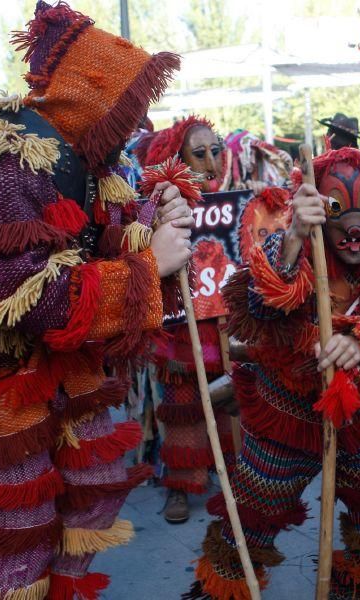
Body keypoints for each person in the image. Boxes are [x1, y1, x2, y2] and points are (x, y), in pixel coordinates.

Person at [0, 2, 193, 597]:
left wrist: (157, 217)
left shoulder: (89, 162)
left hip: (60, 369)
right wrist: (151, 266)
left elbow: (106, 237)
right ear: (91, 97)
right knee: (13, 531)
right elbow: (31, 299)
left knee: (96, 487)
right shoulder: (7, 159)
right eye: (130, 104)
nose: (138, 120)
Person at [186, 147, 360, 600]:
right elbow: (260, 302)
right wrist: (297, 234)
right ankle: (225, 588)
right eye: (337, 209)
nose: (354, 227)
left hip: (357, 413)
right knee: (252, 515)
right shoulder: (288, 244)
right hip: (286, 414)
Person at [136, 116, 237, 524]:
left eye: (216, 151)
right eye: (200, 153)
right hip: (180, 330)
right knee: (182, 409)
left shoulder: (234, 203)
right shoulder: (156, 209)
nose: (211, 162)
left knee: (227, 401)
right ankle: (181, 484)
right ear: (179, 158)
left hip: (223, 327)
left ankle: (230, 474)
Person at [226, 130, 293, 194]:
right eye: (246, 155)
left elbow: (285, 187)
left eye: (252, 153)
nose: (252, 160)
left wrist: (288, 167)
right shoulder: (232, 181)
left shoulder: (269, 166)